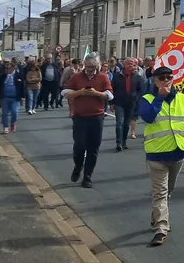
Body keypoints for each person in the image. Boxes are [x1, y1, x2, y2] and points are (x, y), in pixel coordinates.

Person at [139, 66, 184, 246]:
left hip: (178, 153)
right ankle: (161, 228)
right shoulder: (147, 99)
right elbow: (147, 117)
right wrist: (160, 97)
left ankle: (157, 216)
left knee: (168, 191)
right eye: (161, 78)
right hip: (157, 155)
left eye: (169, 77)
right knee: (160, 193)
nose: (166, 80)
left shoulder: (182, 98)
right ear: (154, 81)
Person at [61, 55, 114, 189]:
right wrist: (81, 92)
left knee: (93, 148)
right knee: (79, 145)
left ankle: (87, 177)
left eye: (93, 67)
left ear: (97, 66)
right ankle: (78, 166)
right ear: (84, 65)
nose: (91, 70)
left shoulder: (103, 77)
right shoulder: (77, 77)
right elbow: (65, 92)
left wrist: (97, 93)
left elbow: (110, 95)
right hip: (80, 117)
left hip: (97, 117)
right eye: (88, 67)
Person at [112, 57, 145, 152]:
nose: (130, 66)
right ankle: (118, 142)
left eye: (133, 64)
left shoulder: (137, 77)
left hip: (131, 103)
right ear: (124, 65)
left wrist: (137, 99)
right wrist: (111, 103)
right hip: (119, 102)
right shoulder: (117, 76)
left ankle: (124, 141)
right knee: (119, 123)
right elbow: (112, 89)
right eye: (128, 64)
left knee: (126, 124)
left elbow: (141, 90)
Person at [0, 60, 25, 134]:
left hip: (15, 98)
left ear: (13, 68)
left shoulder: (18, 76)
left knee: (14, 112)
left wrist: (23, 97)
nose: (6, 70)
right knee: (5, 113)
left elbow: (22, 87)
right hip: (5, 98)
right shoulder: (3, 76)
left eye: (8, 68)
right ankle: (5, 127)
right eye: (6, 68)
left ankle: (13, 123)